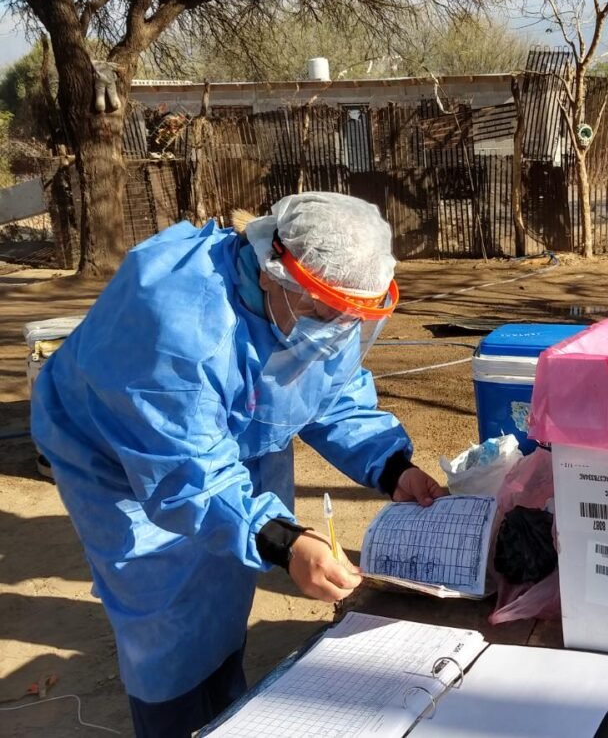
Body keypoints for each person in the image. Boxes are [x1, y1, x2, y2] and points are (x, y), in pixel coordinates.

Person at [30, 192, 446, 737]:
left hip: (238, 434)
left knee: (228, 581)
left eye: (353, 314)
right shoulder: (177, 323)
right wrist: (283, 539)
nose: (338, 324)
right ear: (273, 273)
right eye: (326, 309)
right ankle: (174, 720)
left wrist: (392, 467)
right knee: (166, 610)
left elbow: (333, 392)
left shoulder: (320, 306)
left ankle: (226, 710)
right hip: (123, 452)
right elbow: (184, 471)